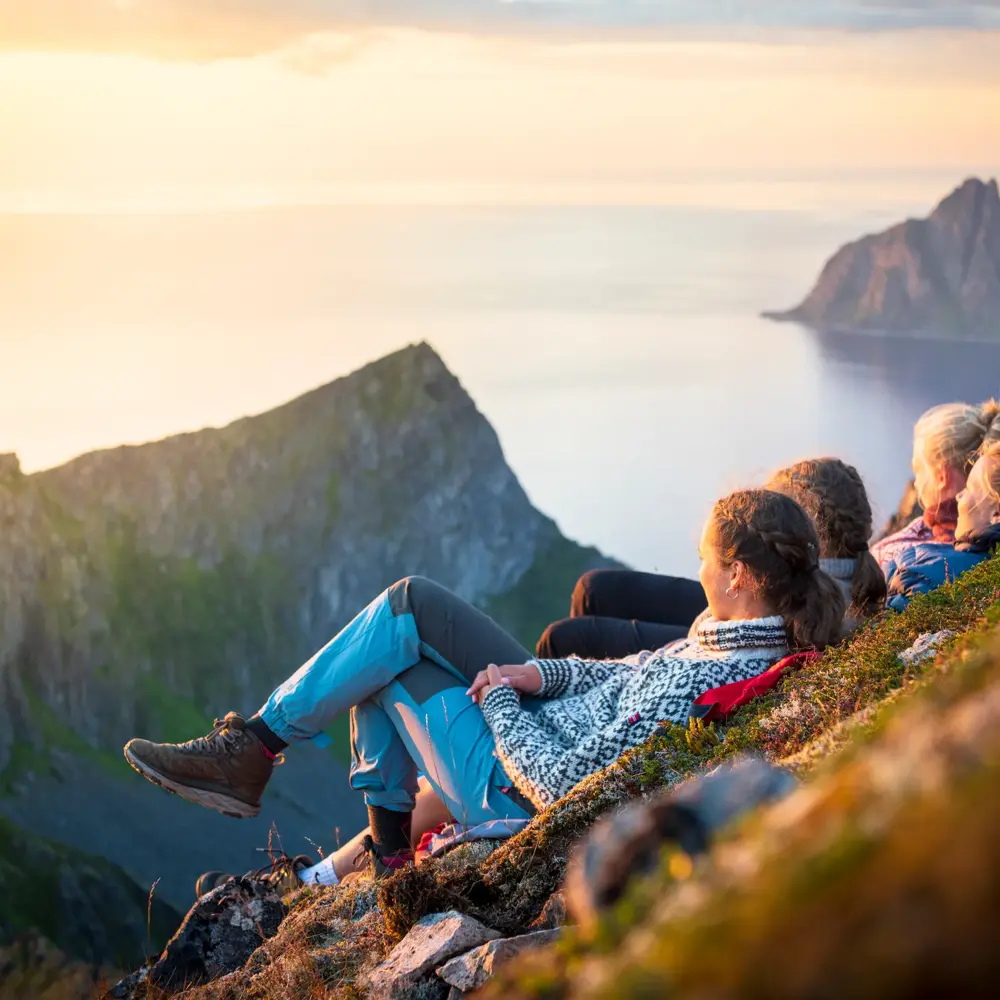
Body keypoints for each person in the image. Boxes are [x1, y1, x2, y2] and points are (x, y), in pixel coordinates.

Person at [124, 489, 845, 889]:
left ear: (742, 576)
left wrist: (500, 698)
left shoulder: (714, 670)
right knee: (399, 622)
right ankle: (306, 788)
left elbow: (564, 785)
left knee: (390, 646)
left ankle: (270, 764)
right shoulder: (729, 640)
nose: (699, 571)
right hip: (544, 721)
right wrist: (538, 674)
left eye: (706, 560)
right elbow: (622, 675)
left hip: (519, 786)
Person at [538, 457, 883, 659]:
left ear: (810, 526)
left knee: (566, 637)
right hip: (748, 603)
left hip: (746, 620)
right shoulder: (848, 568)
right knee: (593, 589)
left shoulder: (817, 593)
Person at [872, 399, 1000, 570]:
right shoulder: (988, 545)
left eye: (918, 470)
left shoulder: (899, 556)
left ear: (941, 476)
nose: (916, 483)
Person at [884, 442, 1000, 611]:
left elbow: (879, 622)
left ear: (996, 514)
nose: (960, 495)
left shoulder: (942, 570)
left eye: (970, 489)